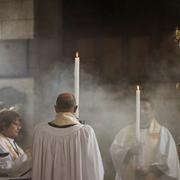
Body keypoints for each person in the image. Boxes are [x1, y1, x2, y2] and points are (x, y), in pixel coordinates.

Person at [32, 92, 104, 180]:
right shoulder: (85, 132)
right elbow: (94, 167)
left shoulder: (40, 132)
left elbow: (36, 166)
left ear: (55, 108)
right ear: (75, 109)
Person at [110, 98, 180, 180]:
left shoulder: (163, 132)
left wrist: (149, 169)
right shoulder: (125, 132)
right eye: (139, 109)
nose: (141, 112)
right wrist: (129, 152)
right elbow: (114, 152)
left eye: (145, 109)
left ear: (153, 112)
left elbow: (171, 160)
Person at [0, 110, 32, 178]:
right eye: (16, 124)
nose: (19, 128)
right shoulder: (1, 142)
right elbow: (6, 169)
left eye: (19, 125)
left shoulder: (10, 140)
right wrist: (27, 155)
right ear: (4, 125)